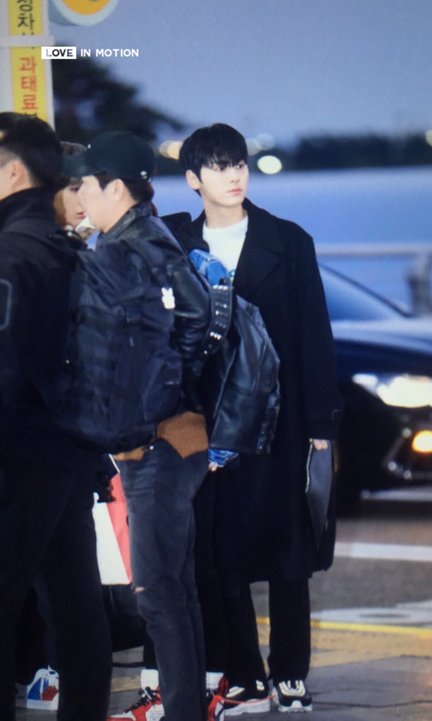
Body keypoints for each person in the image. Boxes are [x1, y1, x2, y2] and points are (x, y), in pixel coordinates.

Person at [174, 123, 343, 715]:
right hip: (206, 421)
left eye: (239, 164)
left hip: (281, 417)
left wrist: (321, 424)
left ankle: (289, 671)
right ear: (193, 179)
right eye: (219, 166)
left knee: (289, 549)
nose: (234, 176)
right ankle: (242, 671)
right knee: (220, 551)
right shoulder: (175, 241)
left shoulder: (287, 241)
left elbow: (314, 333)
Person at [68, 130, 211, 721]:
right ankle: (188, 707)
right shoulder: (155, 237)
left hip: (153, 443)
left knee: (157, 592)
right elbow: (198, 317)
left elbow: (105, 348)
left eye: (85, 184)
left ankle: (183, 712)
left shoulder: (122, 250)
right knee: (176, 587)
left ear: (116, 188)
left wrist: (151, 399)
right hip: (180, 434)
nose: (79, 195)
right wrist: (175, 384)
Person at [0, 112, 112, 721]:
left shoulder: (11, 251)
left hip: (17, 458)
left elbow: (7, 366)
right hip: (69, 452)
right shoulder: (67, 251)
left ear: (14, 173)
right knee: (75, 605)